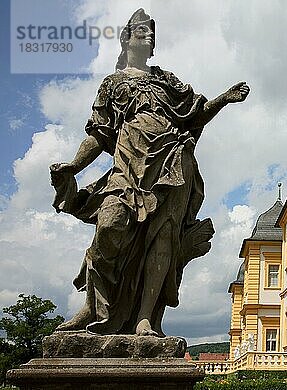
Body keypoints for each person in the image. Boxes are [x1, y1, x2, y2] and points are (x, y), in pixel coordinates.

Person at [50, 8, 249, 336]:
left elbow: (194, 115)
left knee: (163, 237)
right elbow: (99, 134)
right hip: (127, 167)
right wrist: (73, 165)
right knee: (110, 223)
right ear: (127, 39)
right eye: (142, 31)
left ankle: (145, 317)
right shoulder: (113, 83)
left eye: (152, 33)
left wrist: (224, 99)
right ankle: (92, 306)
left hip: (172, 163)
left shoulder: (166, 80)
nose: (149, 36)